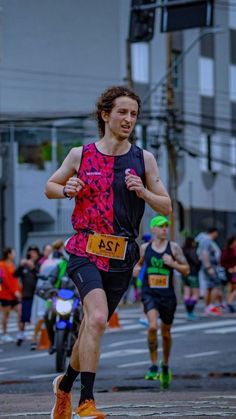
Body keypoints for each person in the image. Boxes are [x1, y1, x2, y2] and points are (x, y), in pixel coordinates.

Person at [45, 85, 171, 419]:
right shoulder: (80, 154)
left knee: (92, 326)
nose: (129, 119)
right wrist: (66, 189)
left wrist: (143, 191)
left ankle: (64, 386)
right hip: (85, 248)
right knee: (98, 317)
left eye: (133, 114)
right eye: (122, 112)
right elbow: (51, 186)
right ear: (105, 114)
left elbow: (167, 205)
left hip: (122, 254)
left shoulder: (144, 159)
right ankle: (87, 400)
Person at [136, 215, 189, 389]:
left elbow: (186, 269)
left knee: (166, 333)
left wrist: (173, 264)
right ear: (153, 229)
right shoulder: (145, 248)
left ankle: (165, 364)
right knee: (152, 327)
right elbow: (137, 265)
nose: (164, 229)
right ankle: (153, 365)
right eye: (160, 226)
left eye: (166, 226)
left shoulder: (173, 248)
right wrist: (135, 271)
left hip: (168, 295)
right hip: (149, 292)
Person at [14, 245, 41, 346]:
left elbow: (40, 276)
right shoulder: (24, 265)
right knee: (23, 316)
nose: (32, 254)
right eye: (31, 252)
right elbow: (15, 274)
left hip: (37, 294)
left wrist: (33, 267)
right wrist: (21, 265)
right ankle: (21, 334)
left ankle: (34, 337)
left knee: (37, 316)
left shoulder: (39, 263)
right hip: (26, 294)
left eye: (34, 252)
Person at [196, 227, 224, 316]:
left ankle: (208, 307)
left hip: (208, 266)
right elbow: (204, 253)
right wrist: (208, 267)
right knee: (215, 285)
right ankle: (210, 306)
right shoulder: (207, 240)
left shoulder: (204, 240)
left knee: (209, 287)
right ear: (214, 232)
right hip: (210, 266)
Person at [0, 248, 21, 342]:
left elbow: (15, 280)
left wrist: (18, 290)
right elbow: (4, 281)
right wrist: (14, 291)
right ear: (8, 254)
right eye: (13, 253)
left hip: (14, 294)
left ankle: (20, 332)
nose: (14, 255)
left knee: (20, 311)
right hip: (5, 294)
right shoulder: (1, 265)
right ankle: (4, 333)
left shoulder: (12, 265)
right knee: (6, 314)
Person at [182, 237, 201, 320]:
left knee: (186, 293)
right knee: (195, 294)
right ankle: (191, 311)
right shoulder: (192, 251)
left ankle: (188, 312)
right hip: (193, 273)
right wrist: (200, 261)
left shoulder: (183, 251)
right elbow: (196, 262)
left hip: (185, 274)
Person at [220, 235, 236, 313]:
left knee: (231, 288)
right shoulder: (226, 250)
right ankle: (229, 303)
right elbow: (222, 262)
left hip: (234, 271)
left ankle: (228, 303)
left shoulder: (234, 249)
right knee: (231, 288)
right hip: (229, 272)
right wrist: (230, 268)